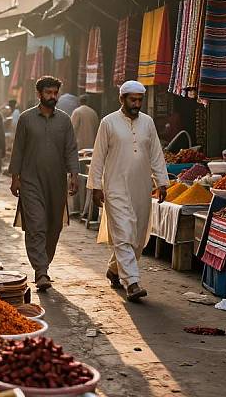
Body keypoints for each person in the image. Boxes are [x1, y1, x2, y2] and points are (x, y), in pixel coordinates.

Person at [87, 80, 169, 302]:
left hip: (141, 188)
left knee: (138, 238)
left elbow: (156, 154)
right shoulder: (108, 123)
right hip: (115, 188)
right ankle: (132, 282)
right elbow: (98, 157)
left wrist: (162, 181)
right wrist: (96, 187)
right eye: (133, 99)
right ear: (121, 99)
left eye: (140, 100)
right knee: (123, 234)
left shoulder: (148, 123)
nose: (137, 104)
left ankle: (114, 269)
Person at [9, 76, 79, 291]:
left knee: (54, 226)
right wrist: (15, 177)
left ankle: (44, 263)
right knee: (36, 225)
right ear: (38, 94)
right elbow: (18, 148)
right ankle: (41, 271)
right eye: (48, 93)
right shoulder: (26, 118)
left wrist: (74, 175)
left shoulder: (65, 120)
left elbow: (71, 149)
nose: (52, 97)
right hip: (30, 181)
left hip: (56, 182)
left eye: (55, 93)